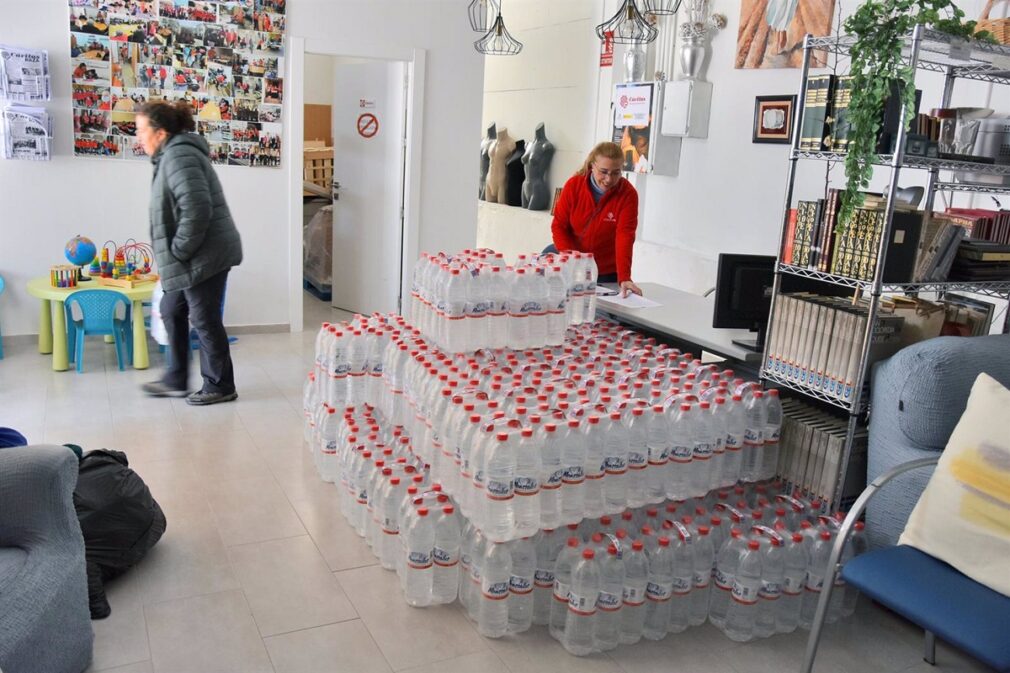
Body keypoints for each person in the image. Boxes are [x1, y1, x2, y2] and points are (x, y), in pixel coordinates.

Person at [136, 101, 242, 405]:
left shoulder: (179, 156)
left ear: (160, 132)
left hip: (204, 255)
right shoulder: (170, 155)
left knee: (204, 318)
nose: (138, 137)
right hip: (192, 256)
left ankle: (220, 385)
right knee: (171, 309)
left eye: (142, 130)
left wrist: (178, 250)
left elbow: (196, 210)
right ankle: (176, 377)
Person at [550, 141, 642, 297]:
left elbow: (625, 235)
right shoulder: (574, 186)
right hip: (573, 265)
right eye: (603, 171)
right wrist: (573, 259)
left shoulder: (628, 194)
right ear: (592, 166)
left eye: (616, 173)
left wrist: (624, 277)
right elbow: (559, 226)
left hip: (606, 270)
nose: (608, 179)